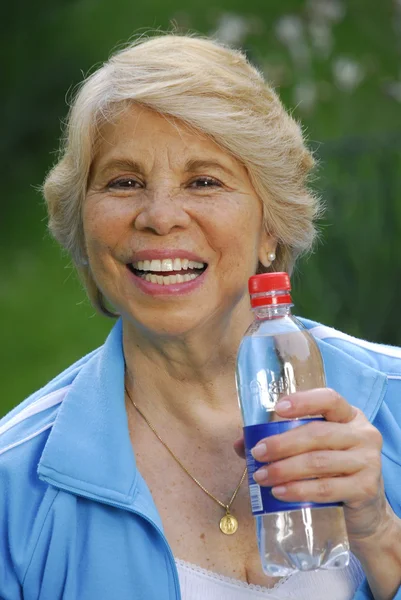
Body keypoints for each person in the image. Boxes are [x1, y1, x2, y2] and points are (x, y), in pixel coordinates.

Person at [1, 33, 400, 600]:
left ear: (271, 226)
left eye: (204, 181)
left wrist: (381, 533)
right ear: (84, 228)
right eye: (124, 182)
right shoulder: (14, 490)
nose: (160, 217)